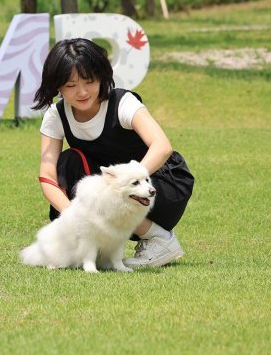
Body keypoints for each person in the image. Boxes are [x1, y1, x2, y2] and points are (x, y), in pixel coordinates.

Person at [32, 37, 193, 268]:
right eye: (71, 85)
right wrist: (75, 216)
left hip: (159, 184)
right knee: (68, 161)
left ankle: (159, 238)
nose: (82, 91)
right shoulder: (56, 116)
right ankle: (89, 244)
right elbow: (47, 175)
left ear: (102, 76)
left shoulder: (122, 102)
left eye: (89, 81)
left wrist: (126, 183)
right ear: (57, 86)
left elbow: (162, 146)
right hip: (108, 192)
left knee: (108, 192)